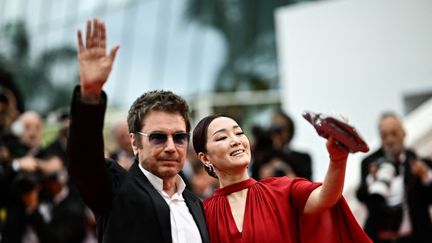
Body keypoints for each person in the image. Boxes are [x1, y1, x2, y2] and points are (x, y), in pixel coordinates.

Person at [67, 18, 209, 243]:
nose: (171, 147)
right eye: (158, 137)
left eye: (180, 137)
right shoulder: (115, 190)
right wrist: (90, 94)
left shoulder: (196, 205)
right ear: (135, 143)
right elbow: (83, 161)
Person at [192, 114, 371, 243]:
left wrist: (338, 160)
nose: (236, 140)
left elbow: (326, 197)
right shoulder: (201, 214)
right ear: (205, 158)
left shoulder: (281, 189)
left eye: (239, 133)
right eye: (222, 137)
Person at [356, 112, 432, 242]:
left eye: (394, 133)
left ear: (403, 133)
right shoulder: (369, 163)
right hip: (381, 237)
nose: (390, 140)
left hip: (417, 237)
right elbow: (361, 196)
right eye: (384, 135)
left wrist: (426, 176)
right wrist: (371, 180)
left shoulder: (419, 163)